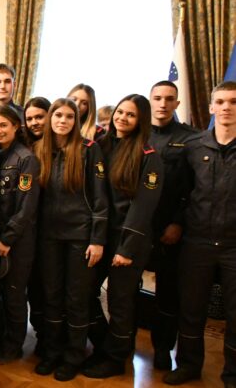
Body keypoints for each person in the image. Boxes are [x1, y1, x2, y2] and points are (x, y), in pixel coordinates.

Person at [83, 94, 163, 378]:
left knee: (120, 301)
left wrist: (126, 249)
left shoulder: (148, 156)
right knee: (85, 292)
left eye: (131, 114)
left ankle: (116, 359)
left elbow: (143, 207)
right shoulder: (100, 146)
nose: (122, 118)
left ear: (141, 120)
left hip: (128, 241)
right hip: (100, 236)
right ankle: (106, 346)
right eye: (120, 112)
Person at [164, 81, 236, 388]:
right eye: (221, 101)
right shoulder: (194, 147)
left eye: (233, 102)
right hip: (197, 242)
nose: (227, 107)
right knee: (191, 310)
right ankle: (189, 365)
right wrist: (177, 224)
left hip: (234, 245)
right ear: (211, 107)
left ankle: (232, 375)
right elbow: (182, 194)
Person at [33, 98, 108, 382]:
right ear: (50, 118)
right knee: (51, 296)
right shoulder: (40, 149)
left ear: (76, 121)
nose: (62, 121)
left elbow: (100, 198)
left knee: (76, 298)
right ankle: (52, 352)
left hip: (80, 235)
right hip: (48, 236)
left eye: (68, 116)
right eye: (58, 115)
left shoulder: (89, 149)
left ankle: (74, 355)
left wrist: (97, 239)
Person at [144, 81, 200, 371]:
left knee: (168, 295)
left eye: (169, 99)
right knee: (124, 292)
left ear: (177, 104)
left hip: (170, 228)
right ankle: (120, 346)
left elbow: (194, 188)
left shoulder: (192, 139)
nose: (163, 104)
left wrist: (178, 222)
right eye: (157, 98)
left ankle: (163, 349)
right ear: (150, 100)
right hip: (137, 226)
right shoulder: (137, 133)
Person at [0, 106, 40, 364]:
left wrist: (8, 238)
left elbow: (26, 207)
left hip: (18, 240)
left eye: (3, 125)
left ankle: (13, 346)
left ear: (16, 126)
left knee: (14, 295)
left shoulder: (26, 159)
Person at [20, 95, 50, 356]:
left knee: (47, 287)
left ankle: (50, 340)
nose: (35, 122)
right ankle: (42, 336)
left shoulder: (57, 148)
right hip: (29, 228)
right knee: (34, 289)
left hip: (52, 226)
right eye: (29, 118)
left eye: (39, 117)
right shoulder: (25, 148)